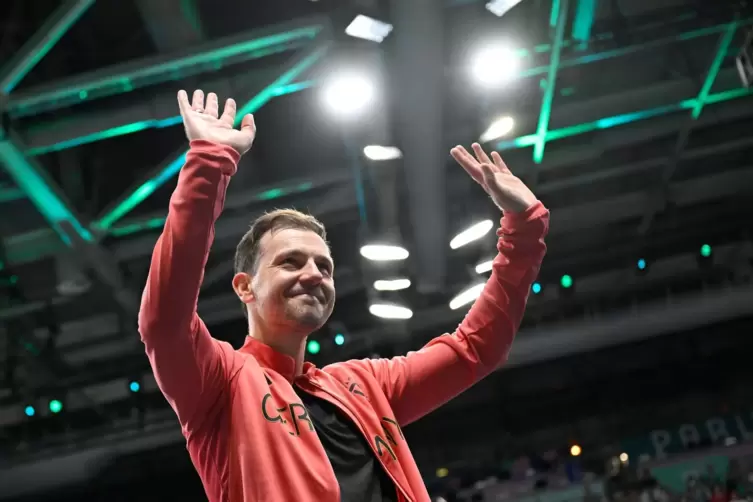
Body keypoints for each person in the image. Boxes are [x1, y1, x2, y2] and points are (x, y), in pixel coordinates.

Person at [139, 89, 550, 502]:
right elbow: (164, 319)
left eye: (325, 266)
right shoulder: (220, 384)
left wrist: (525, 228)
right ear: (245, 287)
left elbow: (475, 349)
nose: (314, 274)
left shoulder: (366, 385)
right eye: (291, 262)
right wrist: (210, 163)